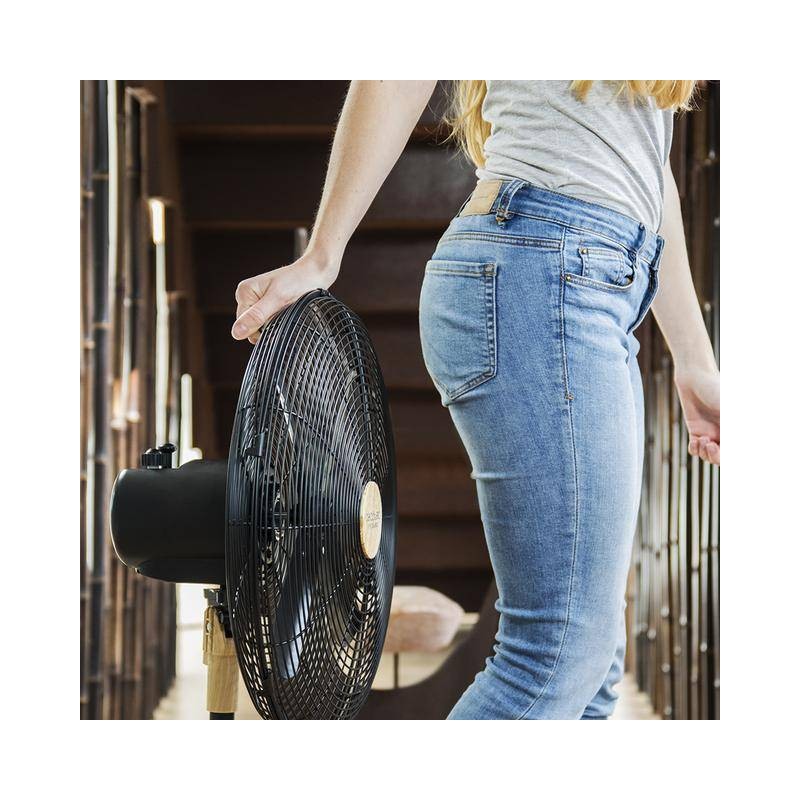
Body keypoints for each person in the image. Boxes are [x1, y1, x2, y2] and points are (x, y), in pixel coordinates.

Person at [230, 80, 721, 719]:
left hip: (596, 279)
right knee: (556, 654)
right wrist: (322, 255)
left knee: (592, 665)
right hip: (546, 270)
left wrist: (695, 361)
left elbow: (647, 172)